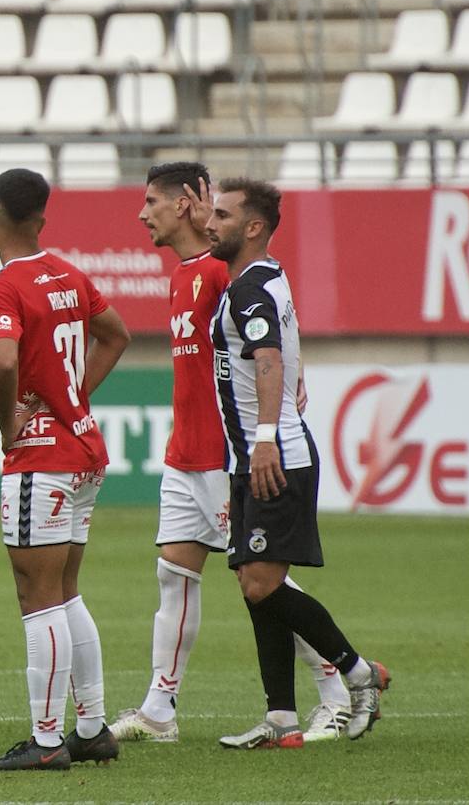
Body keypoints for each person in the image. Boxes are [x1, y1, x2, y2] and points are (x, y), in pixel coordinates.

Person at [111, 163, 356, 745]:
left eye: (152, 201)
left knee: (262, 576)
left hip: (228, 456)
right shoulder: (182, 276)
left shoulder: (224, 274)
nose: (142, 214)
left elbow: (269, 335)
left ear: (189, 202)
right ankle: (159, 710)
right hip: (184, 452)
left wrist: (283, 396)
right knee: (175, 574)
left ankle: (338, 687)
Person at [204, 178, 390, 750]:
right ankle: (280, 718)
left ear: (253, 227)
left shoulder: (248, 292)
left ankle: (359, 675)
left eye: (222, 215)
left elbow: (267, 357)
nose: (211, 224)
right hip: (257, 454)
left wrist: (263, 439)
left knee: (263, 582)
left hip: (274, 457)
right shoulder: (266, 277)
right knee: (252, 582)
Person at [0, 168, 131, 773]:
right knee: (64, 590)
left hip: (42, 458)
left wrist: (11, 423)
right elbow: (115, 335)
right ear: (42, 217)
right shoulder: (67, 272)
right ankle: (90, 729)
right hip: (85, 451)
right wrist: (74, 398)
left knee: (35, 594)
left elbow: (3, 359)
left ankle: (45, 743)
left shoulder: (1, 285)